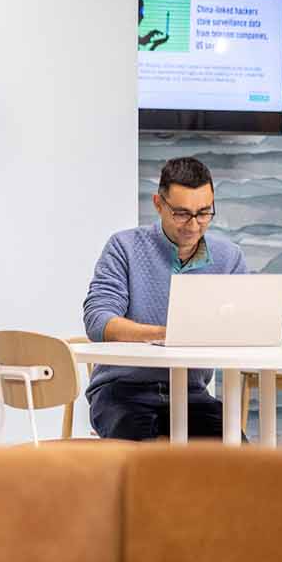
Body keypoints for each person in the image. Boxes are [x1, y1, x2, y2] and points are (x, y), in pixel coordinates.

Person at [82, 156, 250, 440]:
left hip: (192, 394)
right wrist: (166, 335)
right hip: (121, 391)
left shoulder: (229, 258)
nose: (193, 225)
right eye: (181, 213)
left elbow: (243, 323)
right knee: (143, 456)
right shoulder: (124, 247)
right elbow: (98, 321)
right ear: (158, 204)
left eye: (204, 213)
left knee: (238, 454)